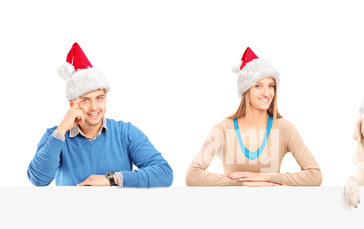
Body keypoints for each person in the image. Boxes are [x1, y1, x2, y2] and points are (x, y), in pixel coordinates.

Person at [27, 43, 173, 188]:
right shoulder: (55, 135)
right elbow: (39, 180)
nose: (94, 107)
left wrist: (113, 178)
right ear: (72, 105)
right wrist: (61, 130)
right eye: (85, 100)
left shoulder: (125, 132)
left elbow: (164, 173)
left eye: (99, 98)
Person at [185, 47, 322, 187]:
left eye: (271, 86)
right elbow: (192, 176)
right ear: (246, 90)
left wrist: (265, 178)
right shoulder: (224, 128)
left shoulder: (284, 128)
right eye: (258, 86)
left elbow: (314, 175)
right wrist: (242, 183)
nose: (267, 93)